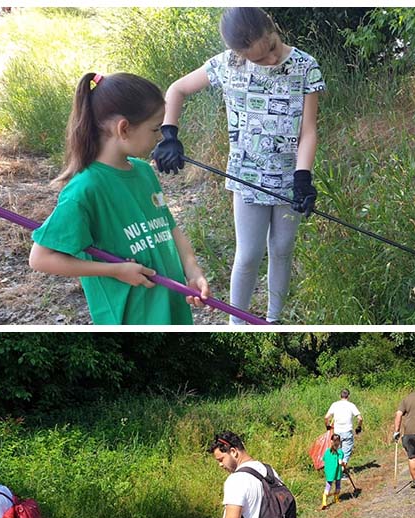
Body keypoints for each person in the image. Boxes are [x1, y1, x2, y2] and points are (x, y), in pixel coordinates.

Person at [154, 8, 325, 324]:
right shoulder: (226, 65)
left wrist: (303, 177)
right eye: (259, 60)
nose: (271, 61)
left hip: (290, 181)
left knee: (283, 249)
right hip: (247, 177)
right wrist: (169, 133)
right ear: (238, 53)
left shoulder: (305, 66)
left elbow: (309, 130)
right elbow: (176, 89)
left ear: (272, 29)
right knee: (248, 256)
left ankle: (273, 319)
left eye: (271, 49)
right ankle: (237, 322)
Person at [30, 72, 212, 324]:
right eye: (155, 128)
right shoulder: (85, 189)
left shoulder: (144, 172)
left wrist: (193, 271)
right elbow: (41, 258)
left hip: (170, 307)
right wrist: (115, 270)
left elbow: (169, 227)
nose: (160, 136)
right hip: (132, 318)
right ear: (124, 128)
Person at [323, 388, 362, 476]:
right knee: (345, 453)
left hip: (337, 433)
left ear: (340, 396)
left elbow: (326, 418)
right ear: (348, 396)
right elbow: (360, 418)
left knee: (338, 452)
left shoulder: (335, 405)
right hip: (347, 432)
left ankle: (336, 471)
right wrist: (359, 427)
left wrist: (327, 426)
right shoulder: (351, 405)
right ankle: (341, 472)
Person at [321, 433, 343, 510]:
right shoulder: (340, 452)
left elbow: (323, 460)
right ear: (339, 442)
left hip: (329, 472)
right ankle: (336, 498)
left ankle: (324, 502)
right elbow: (340, 462)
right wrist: (342, 463)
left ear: (331, 441)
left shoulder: (327, 451)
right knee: (338, 485)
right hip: (337, 472)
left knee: (328, 486)